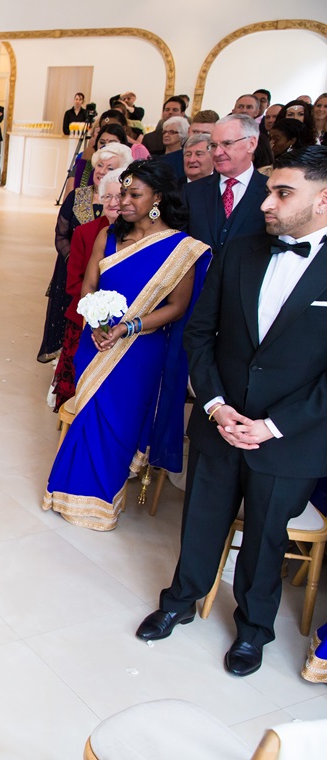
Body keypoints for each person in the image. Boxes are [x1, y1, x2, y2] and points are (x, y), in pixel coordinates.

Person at [137, 146, 327, 677]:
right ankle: (181, 599)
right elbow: (200, 334)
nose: (266, 203)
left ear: (323, 199)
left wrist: (271, 425)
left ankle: (253, 629)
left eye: (282, 193)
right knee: (201, 516)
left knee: (267, 535)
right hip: (222, 419)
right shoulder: (241, 251)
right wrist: (217, 406)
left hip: (292, 436)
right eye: (269, 191)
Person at [44, 160, 211, 530]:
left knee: (119, 422)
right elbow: (89, 286)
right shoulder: (108, 236)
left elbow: (178, 306)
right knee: (88, 416)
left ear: (158, 198)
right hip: (96, 341)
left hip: (140, 350)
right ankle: (67, 493)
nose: (124, 202)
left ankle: (103, 501)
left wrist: (128, 326)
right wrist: (96, 322)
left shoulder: (181, 249)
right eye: (122, 194)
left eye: (134, 194)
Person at [38, 143, 133, 363]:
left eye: (110, 168)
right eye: (99, 165)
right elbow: (61, 234)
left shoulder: (134, 223)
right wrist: (75, 260)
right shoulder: (78, 199)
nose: (102, 171)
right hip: (75, 277)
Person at [52, 168, 125, 410]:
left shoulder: (144, 237)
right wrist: (99, 317)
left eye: (121, 196)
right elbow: (74, 283)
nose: (114, 203)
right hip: (84, 318)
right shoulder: (86, 232)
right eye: (107, 197)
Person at [184, 114, 268, 258]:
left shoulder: (270, 192)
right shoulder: (191, 192)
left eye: (227, 144)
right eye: (214, 145)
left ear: (251, 144)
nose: (217, 153)